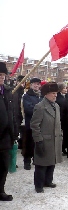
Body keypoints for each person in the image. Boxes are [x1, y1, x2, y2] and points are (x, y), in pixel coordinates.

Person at [30, 82, 63, 193]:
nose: (55, 95)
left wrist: (60, 134)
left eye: (56, 93)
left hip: (55, 139)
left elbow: (58, 122)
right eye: (53, 93)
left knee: (51, 162)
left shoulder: (56, 106)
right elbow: (34, 125)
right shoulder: (40, 107)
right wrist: (38, 140)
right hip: (44, 139)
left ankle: (48, 181)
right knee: (41, 164)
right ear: (46, 94)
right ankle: (39, 185)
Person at [0, 62, 17, 201]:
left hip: (5, 137)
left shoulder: (6, 92)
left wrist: (14, 132)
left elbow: (12, 114)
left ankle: (0, 191)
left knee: (3, 167)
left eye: (3, 75)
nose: (1, 77)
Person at [22, 77, 41, 170]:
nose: (37, 85)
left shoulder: (41, 96)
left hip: (40, 124)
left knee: (37, 143)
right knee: (29, 143)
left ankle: (36, 159)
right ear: (31, 84)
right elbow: (28, 109)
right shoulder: (27, 95)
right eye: (35, 84)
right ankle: (27, 161)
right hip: (30, 123)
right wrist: (39, 109)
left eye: (38, 84)